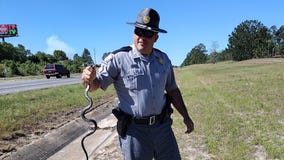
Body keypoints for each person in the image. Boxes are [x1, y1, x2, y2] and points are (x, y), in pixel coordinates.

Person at [82, 8, 194, 160]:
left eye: (148, 33)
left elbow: (173, 90)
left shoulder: (164, 60)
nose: (142, 37)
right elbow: (96, 84)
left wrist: (186, 117)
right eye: (138, 31)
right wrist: (88, 78)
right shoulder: (118, 58)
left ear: (156, 37)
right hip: (134, 131)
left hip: (162, 127)